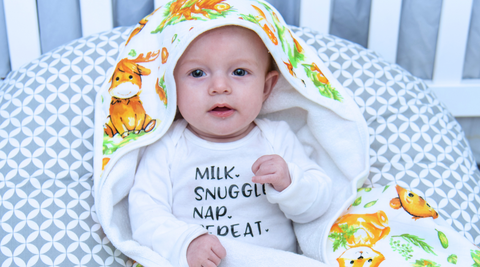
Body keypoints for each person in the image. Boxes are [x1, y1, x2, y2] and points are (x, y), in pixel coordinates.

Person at [128, 25, 333, 267]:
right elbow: (145, 213)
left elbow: (318, 204)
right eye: (197, 73)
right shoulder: (167, 146)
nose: (219, 87)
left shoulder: (276, 138)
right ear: (171, 86)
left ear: (266, 87)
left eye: (239, 71)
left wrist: (290, 183)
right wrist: (185, 243)